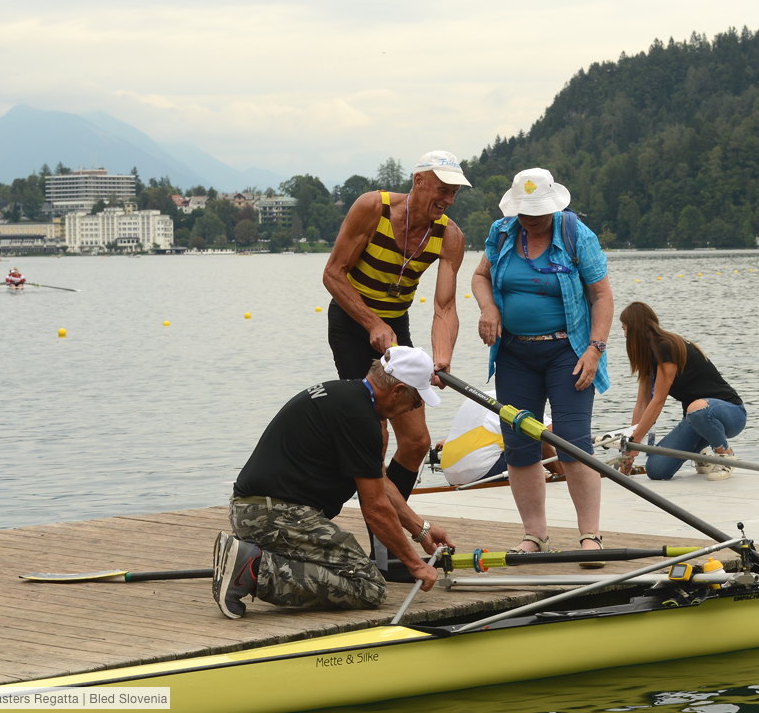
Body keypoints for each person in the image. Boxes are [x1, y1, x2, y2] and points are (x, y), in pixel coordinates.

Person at [213, 346, 456, 619]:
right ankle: (253, 571)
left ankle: (251, 557)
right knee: (369, 585)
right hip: (274, 515)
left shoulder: (348, 396)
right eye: (416, 401)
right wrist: (415, 565)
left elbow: (381, 484)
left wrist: (422, 532)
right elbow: (375, 508)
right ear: (398, 390)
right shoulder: (360, 419)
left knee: (346, 570)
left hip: (256, 509)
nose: (415, 407)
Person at [322, 151, 469, 575]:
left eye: (454, 191)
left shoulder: (449, 236)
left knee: (418, 441)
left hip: (395, 326)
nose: (448, 199)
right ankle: (386, 553)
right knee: (376, 439)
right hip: (352, 321)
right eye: (442, 188)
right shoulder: (374, 207)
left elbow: (444, 306)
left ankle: (385, 551)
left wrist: (441, 359)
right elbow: (333, 273)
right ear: (419, 180)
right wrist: (370, 322)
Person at [471, 168, 614, 565]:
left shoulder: (574, 234)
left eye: (538, 212)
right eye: (525, 213)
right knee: (520, 445)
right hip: (514, 354)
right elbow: (480, 276)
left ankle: (590, 536)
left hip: (567, 352)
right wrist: (489, 307)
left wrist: (595, 350)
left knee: (572, 442)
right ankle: (534, 534)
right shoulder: (502, 233)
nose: (531, 220)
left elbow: (601, 296)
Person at [615, 301, 747, 481]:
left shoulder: (666, 347)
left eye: (625, 329)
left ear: (636, 329)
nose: (624, 335)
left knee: (697, 408)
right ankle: (702, 454)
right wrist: (632, 446)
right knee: (656, 470)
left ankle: (724, 455)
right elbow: (642, 404)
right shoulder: (649, 357)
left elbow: (658, 400)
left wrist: (635, 442)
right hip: (696, 420)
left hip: (729, 413)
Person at [438, 393, 563, 486]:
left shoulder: (477, 396)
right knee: (535, 436)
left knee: (521, 435)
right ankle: (562, 478)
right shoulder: (517, 399)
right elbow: (554, 434)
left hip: (450, 473)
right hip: (481, 473)